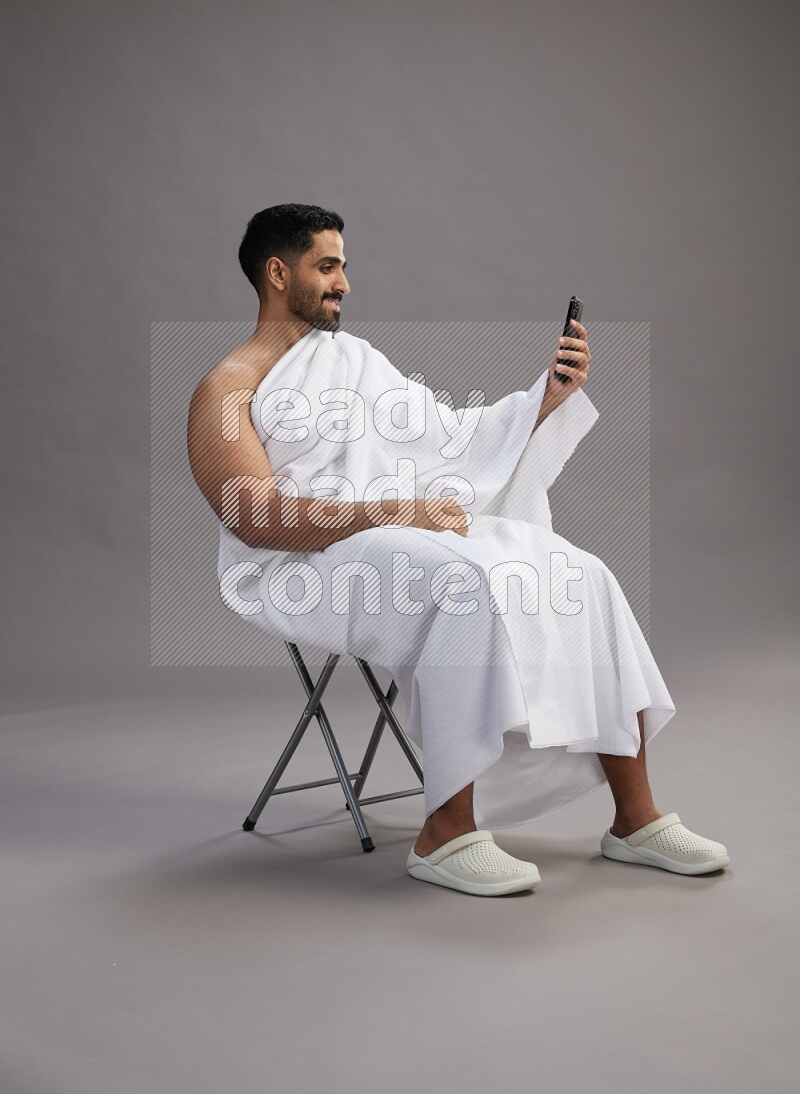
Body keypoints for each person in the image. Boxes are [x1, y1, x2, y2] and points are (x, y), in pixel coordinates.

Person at [187, 203, 730, 897]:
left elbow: (448, 437)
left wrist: (545, 398)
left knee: (578, 572)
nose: (344, 283)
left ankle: (635, 818)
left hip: (392, 530)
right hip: (302, 562)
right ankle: (445, 833)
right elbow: (257, 518)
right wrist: (393, 510)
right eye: (327, 267)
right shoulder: (226, 389)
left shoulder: (354, 361)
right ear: (277, 272)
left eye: (343, 267)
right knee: (459, 582)